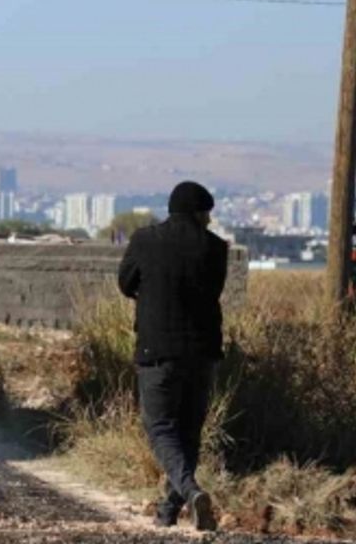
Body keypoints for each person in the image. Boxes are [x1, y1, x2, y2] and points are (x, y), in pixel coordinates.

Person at [117, 181, 228, 532]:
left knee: (160, 426)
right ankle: (168, 509)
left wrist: (150, 294)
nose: (209, 220)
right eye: (206, 213)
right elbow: (214, 290)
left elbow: (125, 283)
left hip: (157, 350)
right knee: (189, 431)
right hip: (202, 352)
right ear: (198, 213)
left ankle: (191, 491)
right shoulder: (215, 248)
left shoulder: (145, 240)